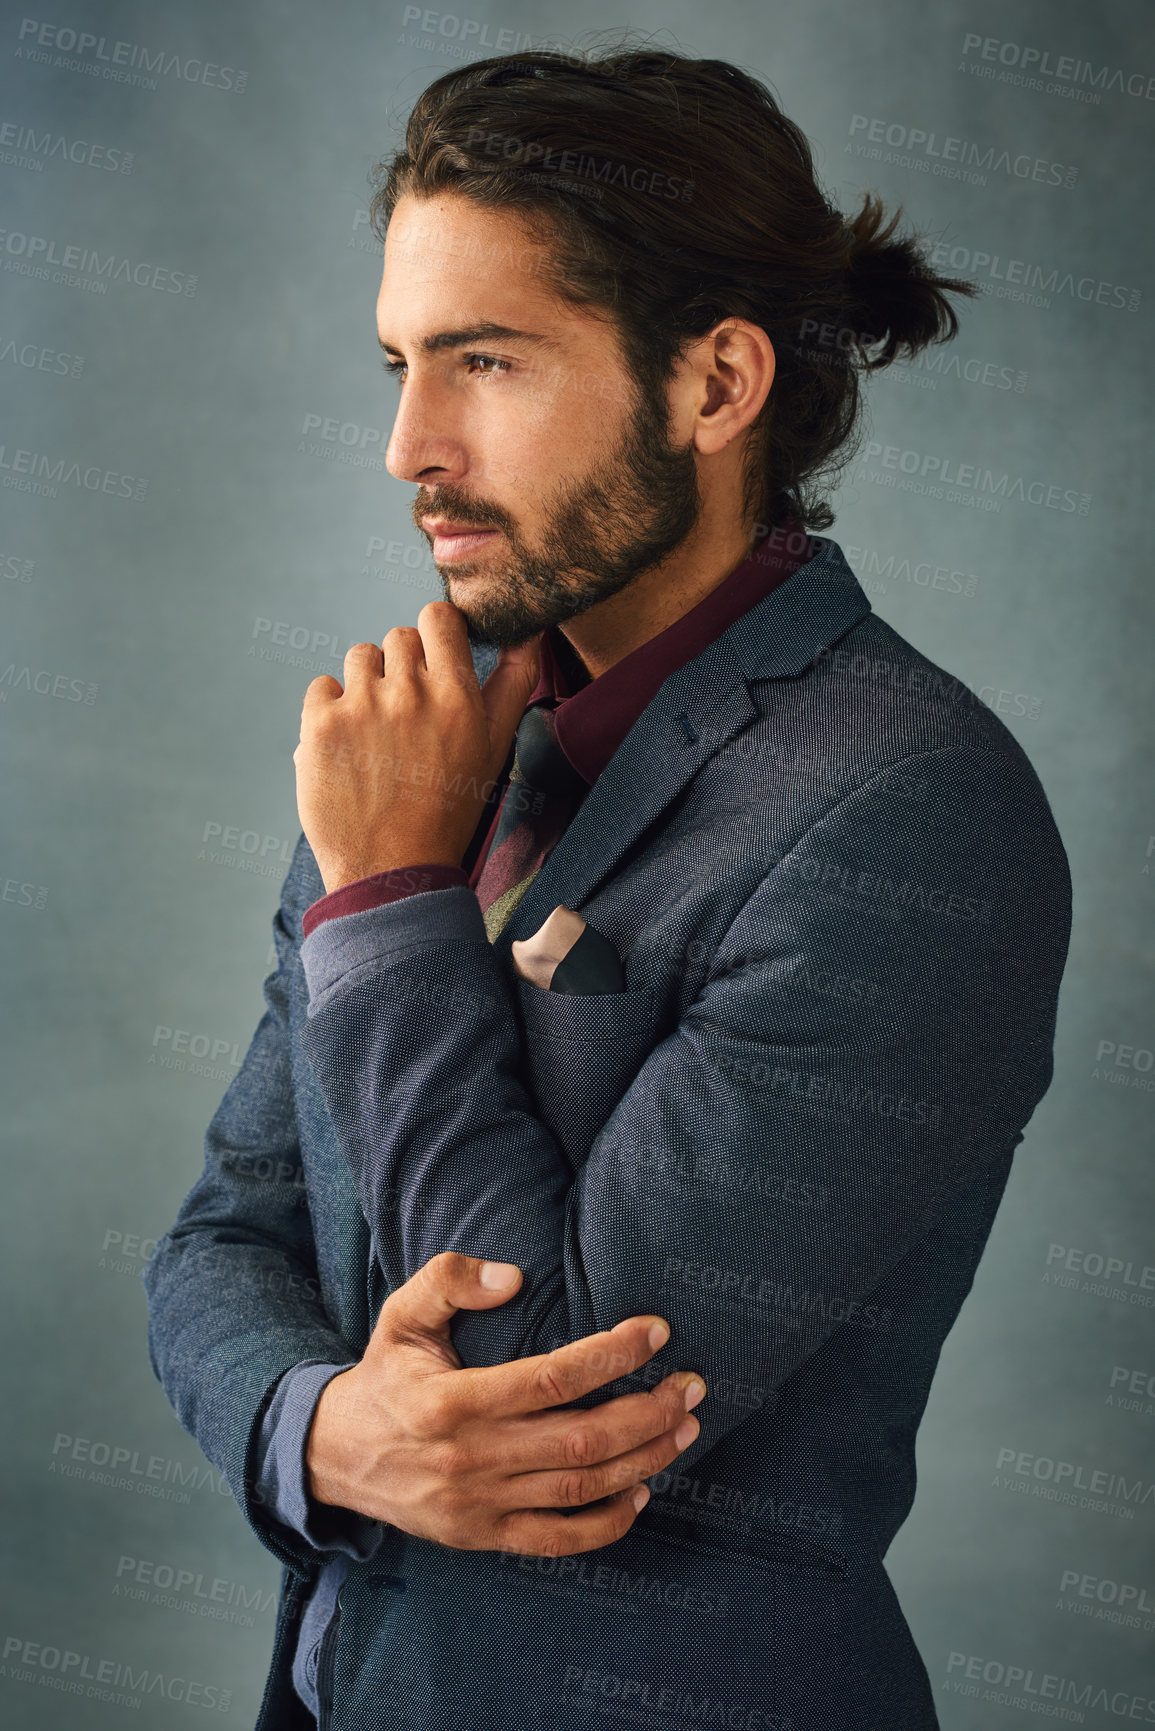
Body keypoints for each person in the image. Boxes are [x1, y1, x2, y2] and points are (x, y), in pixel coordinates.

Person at [145, 39, 1072, 1731]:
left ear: (715, 386)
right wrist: (313, 1431)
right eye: (399, 365)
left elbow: (545, 1393)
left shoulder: (910, 810)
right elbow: (226, 1236)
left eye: (484, 360)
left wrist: (386, 903)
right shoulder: (426, 739)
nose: (408, 445)